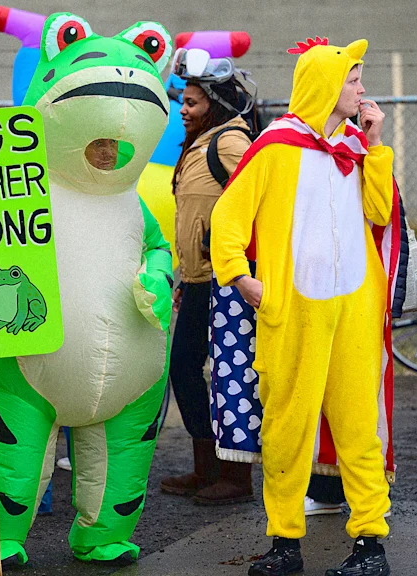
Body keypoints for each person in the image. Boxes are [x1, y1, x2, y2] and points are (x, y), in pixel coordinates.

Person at [211, 36, 400, 576]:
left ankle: (371, 544)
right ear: (325, 85)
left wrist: (375, 145)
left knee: (360, 430)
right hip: (293, 311)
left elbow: (380, 211)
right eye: (352, 80)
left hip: (355, 311)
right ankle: (285, 542)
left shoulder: (356, 146)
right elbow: (228, 216)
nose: (361, 88)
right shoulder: (275, 146)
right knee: (287, 430)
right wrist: (240, 277)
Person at [159, 47, 256, 505]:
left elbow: (262, 200)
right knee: (186, 368)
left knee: (229, 372)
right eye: (183, 101)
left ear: (214, 104)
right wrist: (185, 276)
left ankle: (234, 476)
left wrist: (220, 240)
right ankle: (208, 467)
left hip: (229, 282)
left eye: (192, 102)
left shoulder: (229, 142)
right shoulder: (201, 142)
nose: (183, 109)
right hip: (200, 281)